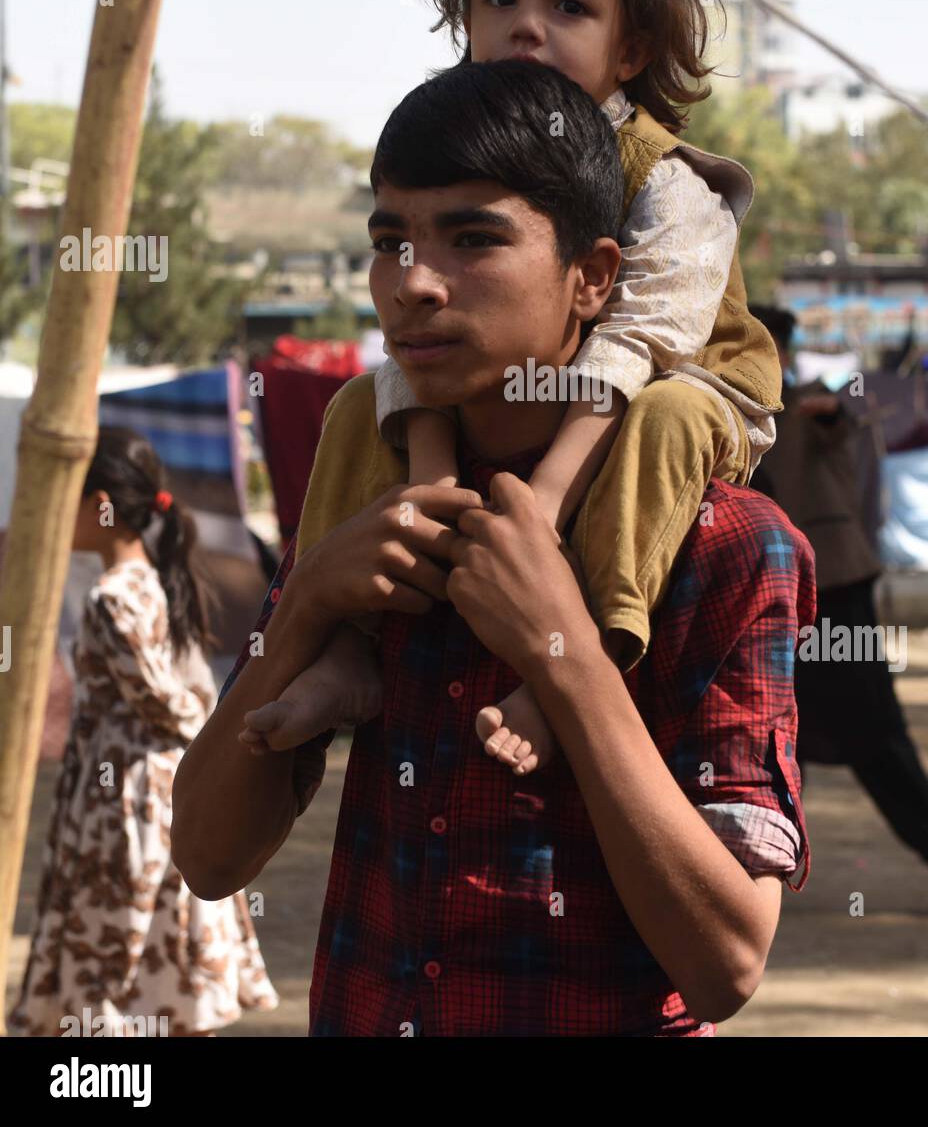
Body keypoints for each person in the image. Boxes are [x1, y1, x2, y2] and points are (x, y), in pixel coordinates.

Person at [172, 60, 814, 1037]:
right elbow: (209, 858)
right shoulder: (379, 498)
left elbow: (727, 963)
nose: (414, 284)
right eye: (391, 241)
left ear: (593, 276)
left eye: (473, 238)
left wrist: (565, 650)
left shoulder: (721, 543)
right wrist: (308, 602)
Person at [281, 0, 784, 776]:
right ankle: (346, 646)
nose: (526, 25)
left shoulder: (668, 181)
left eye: (569, 8)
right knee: (364, 393)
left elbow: (640, 339)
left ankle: (586, 654)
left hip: (684, 374)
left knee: (665, 418)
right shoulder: (454, 151)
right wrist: (435, 490)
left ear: (630, 50)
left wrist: (543, 501)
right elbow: (420, 321)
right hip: (532, 391)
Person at [10, 428, 278, 1037]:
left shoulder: (112, 598)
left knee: (116, 958)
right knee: (156, 961)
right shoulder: (148, 583)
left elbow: (169, 704)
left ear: (101, 505)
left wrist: (222, 727)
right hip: (155, 798)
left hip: (123, 809)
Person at [749, 307, 928, 921]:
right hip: (760, 599)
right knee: (762, 737)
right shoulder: (719, 410)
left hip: (833, 591)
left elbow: (841, 419)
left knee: (876, 734)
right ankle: (754, 887)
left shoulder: (810, 402)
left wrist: (831, 411)